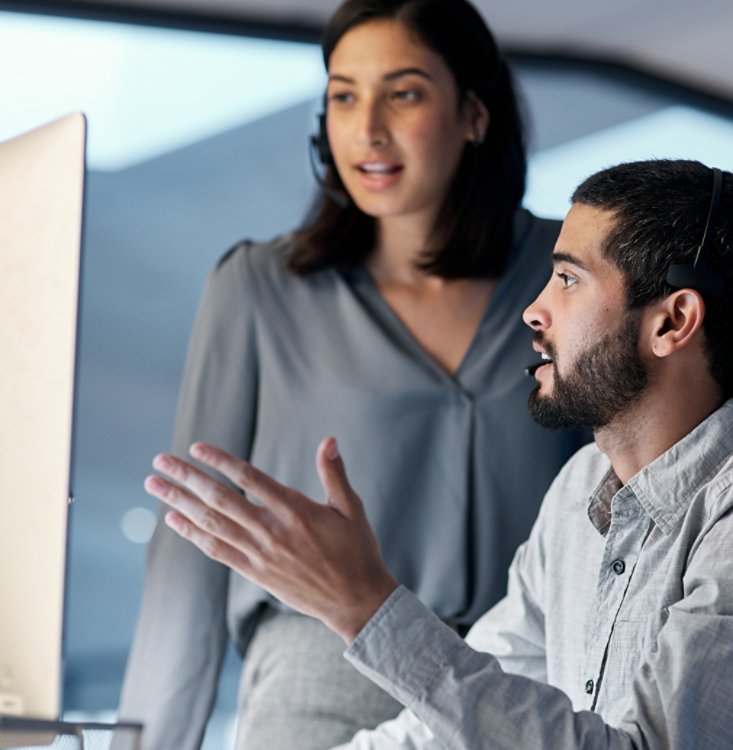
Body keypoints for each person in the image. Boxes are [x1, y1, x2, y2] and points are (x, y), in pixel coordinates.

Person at [145, 160, 733, 748]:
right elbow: (443, 727)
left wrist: (364, 606)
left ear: (673, 321)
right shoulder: (583, 490)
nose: (533, 310)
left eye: (569, 279)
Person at [118, 1, 584, 748]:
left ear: (474, 113)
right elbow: (190, 549)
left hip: (515, 678)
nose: (367, 127)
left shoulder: (566, 279)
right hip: (320, 674)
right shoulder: (260, 288)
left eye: (403, 93)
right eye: (343, 95)